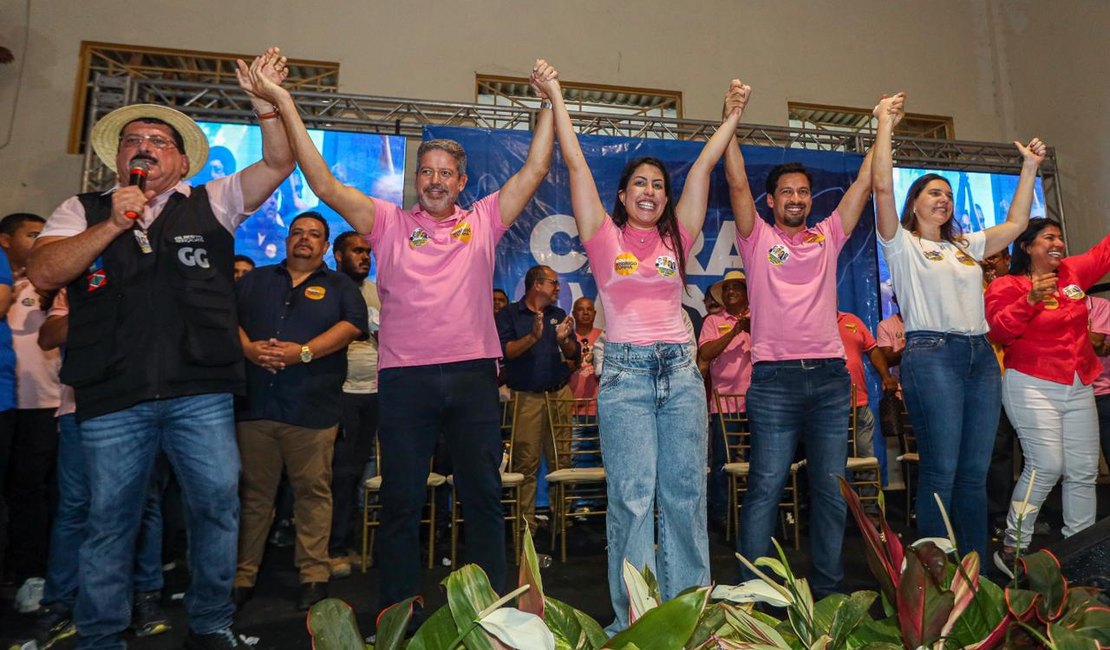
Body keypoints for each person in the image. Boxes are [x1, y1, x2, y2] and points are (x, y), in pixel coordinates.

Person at [240, 51, 554, 621]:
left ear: (462, 182)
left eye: (445, 173)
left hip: (473, 378)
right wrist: (285, 102)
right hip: (405, 382)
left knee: (482, 499)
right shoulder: (387, 224)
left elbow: (533, 170)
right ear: (418, 180)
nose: (434, 181)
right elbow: (323, 182)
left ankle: (496, 613)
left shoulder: (482, 219)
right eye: (426, 172)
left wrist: (550, 104)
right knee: (403, 501)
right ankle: (397, 616)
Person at [25, 48, 294, 649]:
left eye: (157, 140)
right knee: (108, 523)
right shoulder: (82, 210)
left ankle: (210, 623)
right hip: (111, 395)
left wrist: (265, 106)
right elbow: (44, 272)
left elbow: (279, 162)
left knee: (218, 508)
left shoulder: (214, 202)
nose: (143, 146)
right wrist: (115, 224)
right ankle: (100, 636)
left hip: (199, 391)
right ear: (117, 157)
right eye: (132, 140)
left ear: (179, 159)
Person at [536, 60, 742, 632]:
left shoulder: (679, 235)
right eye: (639, 185)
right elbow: (574, 162)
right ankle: (638, 622)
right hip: (624, 378)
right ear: (622, 196)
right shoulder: (602, 236)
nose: (650, 192)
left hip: (679, 374)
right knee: (630, 501)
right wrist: (555, 92)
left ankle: (691, 613)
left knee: (684, 497)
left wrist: (730, 119)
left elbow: (703, 168)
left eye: (657, 185)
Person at [871, 91, 1046, 561]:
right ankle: (935, 575)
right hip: (932, 356)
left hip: (980, 358)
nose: (944, 199)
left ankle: (977, 575)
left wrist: (1029, 167)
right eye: (934, 192)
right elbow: (882, 189)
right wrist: (884, 123)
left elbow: (1015, 223)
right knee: (941, 470)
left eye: (949, 195)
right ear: (915, 203)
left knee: (976, 472)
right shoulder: (901, 244)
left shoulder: (966, 246)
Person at [725, 87, 876, 598]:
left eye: (802, 192)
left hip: (832, 380)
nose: (795, 199)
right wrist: (732, 119)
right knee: (766, 488)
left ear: (810, 199)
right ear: (773, 201)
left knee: (832, 492)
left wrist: (882, 128)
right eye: (786, 193)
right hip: (774, 382)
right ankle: (753, 591)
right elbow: (737, 183)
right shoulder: (757, 238)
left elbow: (861, 186)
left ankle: (830, 593)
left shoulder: (828, 235)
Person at [233, 212, 366, 611]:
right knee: (255, 497)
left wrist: (302, 353)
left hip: (312, 408)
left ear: (326, 247)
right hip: (257, 407)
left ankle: (313, 575)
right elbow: (226, 320)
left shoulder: (340, 286)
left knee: (313, 494)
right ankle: (243, 576)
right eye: (297, 233)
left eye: (314, 235)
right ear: (286, 240)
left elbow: (352, 326)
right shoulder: (255, 281)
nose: (304, 240)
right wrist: (249, 349)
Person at [985, 220, 1110, 575]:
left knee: (1084, 471)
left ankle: (1079, 550)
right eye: (1048, 237)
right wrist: (1029, 300)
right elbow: (999, 331)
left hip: (1078, 382)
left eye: (1059, 237)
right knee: (1046, 465)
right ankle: (1012, 547)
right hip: (1031, 383)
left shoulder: (1071, 273)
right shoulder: (1007, 285)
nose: (1057, 243)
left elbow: (1105, 252)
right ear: (1027, 246)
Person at [0, 212, 61, 606]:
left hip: (42, 403)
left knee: (32, 492)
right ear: (5, 240)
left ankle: (31, 575)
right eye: (32, 234)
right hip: (8, 403)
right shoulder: (9, 284)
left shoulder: (54, 283)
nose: (40, 240)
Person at [496, 265, 580, 533]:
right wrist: (533, 336)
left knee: (563, 462)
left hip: (559, 395)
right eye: (554, 283)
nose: (557, 288)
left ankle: (561, 528)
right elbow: (507, 352)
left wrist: (563, 340)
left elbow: (574, 355)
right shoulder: (509, 314)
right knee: (525, 465)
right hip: (526, 398)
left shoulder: (558, 315)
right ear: (537, 285)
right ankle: (525, 530)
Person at [327, 231, 381, 579]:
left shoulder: (377, 290)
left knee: (364, 474)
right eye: (356, 251)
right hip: (339, 392)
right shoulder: (327, 289)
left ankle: (358, 545)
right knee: (340, 475)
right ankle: (333, 548)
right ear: (337, 254)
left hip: (376, 392)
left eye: (367, 252)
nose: (364, 257)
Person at [698, 270, 752, 530]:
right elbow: (705, 353)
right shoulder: (712, 321)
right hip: (725, 404)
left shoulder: (762, 317)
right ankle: (720, 514)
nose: (730, 292)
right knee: (721, 461)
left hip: (760, 403)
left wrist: (755, 329)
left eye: (736, 288)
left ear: (746, 292)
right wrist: (734, 332)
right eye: (727, 288)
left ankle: (758, 510)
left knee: (762, 460)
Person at [1089, 296, 1110, 464]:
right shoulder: (1047, 305)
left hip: (1103, 391)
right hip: (1067, 391)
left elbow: (1097, 342)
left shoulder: (1099, 304)